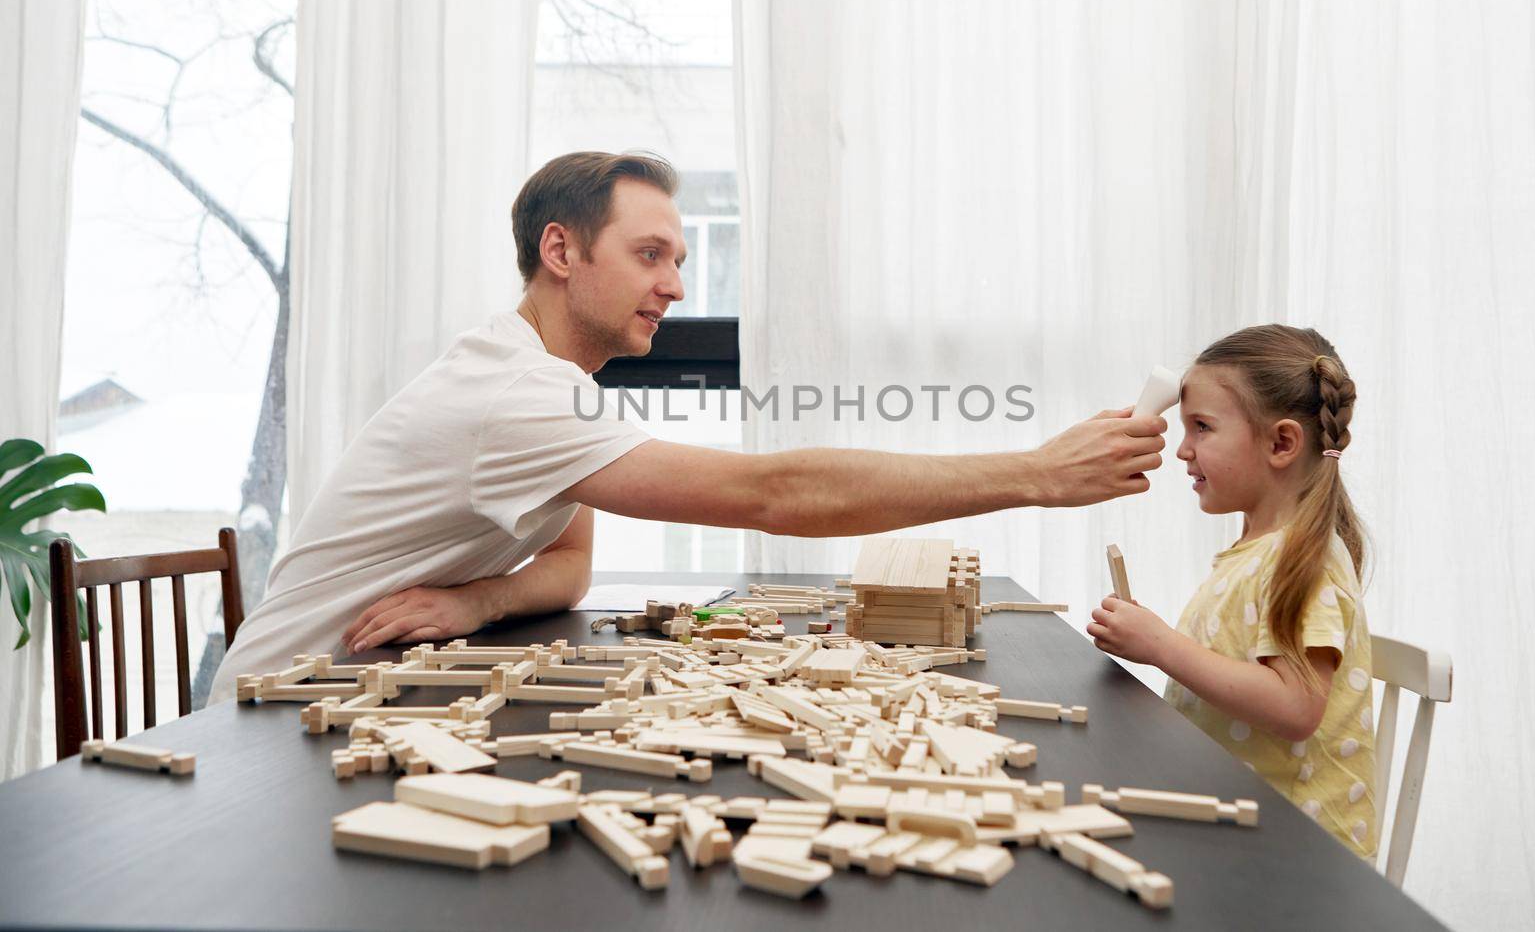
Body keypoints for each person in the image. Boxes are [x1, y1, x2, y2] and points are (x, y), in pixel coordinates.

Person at [209, 151, 1166, 703]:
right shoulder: (520, 394)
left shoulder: (561, 387)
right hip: (275, 707)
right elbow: (773, 495)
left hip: (368, 679)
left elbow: (570, 568)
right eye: (651, 253)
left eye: (677, 256)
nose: (676, 282)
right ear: (562, 251)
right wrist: (1035, 472)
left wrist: (476, 602)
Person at [1086, 324, 1378, 858]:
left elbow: (1295, 707)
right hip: (1237, 828)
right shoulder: (1259, 551)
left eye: (1201, 427)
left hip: (1295, 856)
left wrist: (1160, 647)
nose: (1182, 450)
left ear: (1282, 443)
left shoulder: (1303, 560)